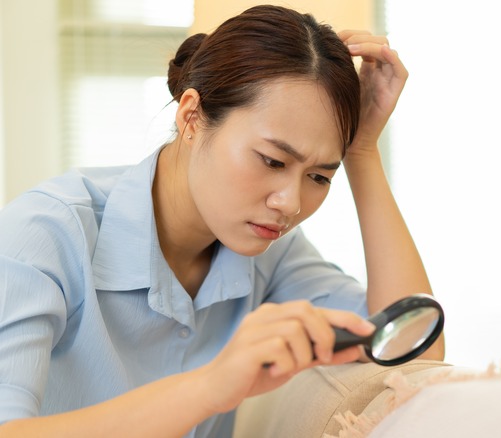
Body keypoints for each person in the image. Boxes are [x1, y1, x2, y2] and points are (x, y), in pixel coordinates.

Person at [0, 5, 444, 437]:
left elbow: (410, 357)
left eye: (318, 176)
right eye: (272, 161)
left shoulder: (272, 252)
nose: (290, 202)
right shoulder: (46, 234)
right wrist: (211, 387)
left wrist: (363, 150)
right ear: (191, 117)